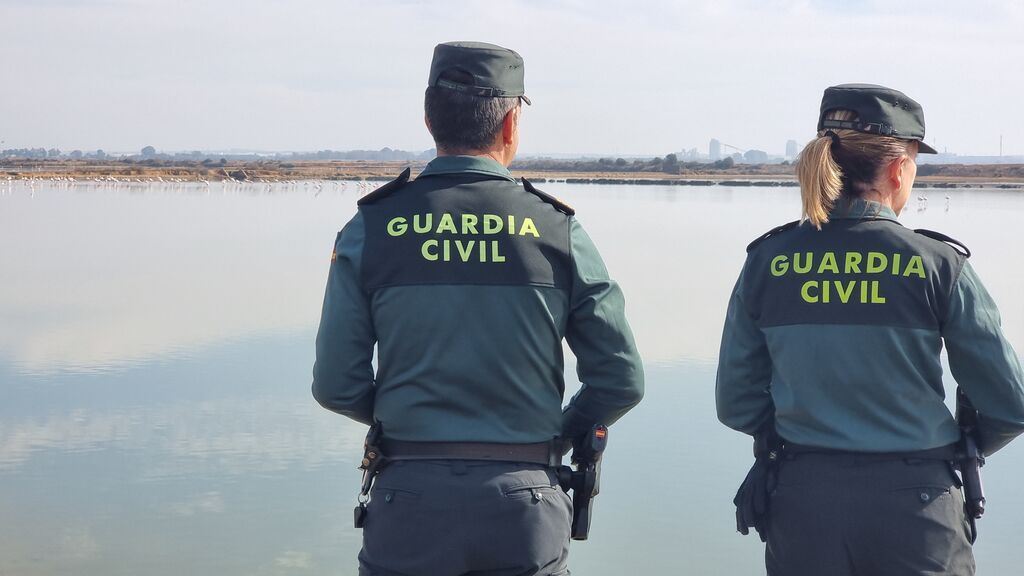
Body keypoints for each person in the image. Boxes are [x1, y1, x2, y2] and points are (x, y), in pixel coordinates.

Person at [312, 41, 644, 576]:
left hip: (408, 498)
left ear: (428, 118)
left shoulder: (370, 228)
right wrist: (559, 431)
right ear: (511, 123)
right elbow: (621, 380)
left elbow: (336, 386)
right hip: (525, 502)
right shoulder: (556, 228)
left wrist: (412, 423)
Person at [716, 83, 1024, 576]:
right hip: (919, 507)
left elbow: (736, 403)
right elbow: (1010, 405)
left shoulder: (767, 262)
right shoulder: (939, 265)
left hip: (803, 499)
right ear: (899, 167)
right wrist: (956, 449)